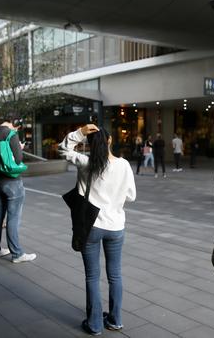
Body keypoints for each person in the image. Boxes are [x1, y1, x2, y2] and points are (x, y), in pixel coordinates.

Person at [59, 124, 136, 336]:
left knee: (92, 276)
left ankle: (94, 325)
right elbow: (131, 196)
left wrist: (80, 132)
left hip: (91, 227)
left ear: (89, 144)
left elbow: (63, 150)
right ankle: (115, 320)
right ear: (110, 141)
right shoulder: (124, 165)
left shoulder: (86, 163)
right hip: (116, 227)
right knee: (115, 275)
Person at [0, 118, 36, 263]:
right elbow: (18, 159)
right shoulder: (10, 134)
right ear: (15, 125)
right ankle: (17, 254)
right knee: (13, 217)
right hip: (12, 181)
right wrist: (19, 148)